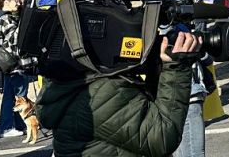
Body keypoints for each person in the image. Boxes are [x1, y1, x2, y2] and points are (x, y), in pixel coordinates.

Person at [38, 31, 202, 155]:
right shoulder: (99, 93)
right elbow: (162, 137)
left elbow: (147, 114)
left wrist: (157, 68)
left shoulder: (64, 84)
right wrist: (176, 68)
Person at [0, 0, 31, 138]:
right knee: (17, 97)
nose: (19, 3)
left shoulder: (3, 17)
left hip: (11, 65)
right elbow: (14, 42)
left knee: (12, 96)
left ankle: (16, 126)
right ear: (6, 2)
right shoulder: (7, 19)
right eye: (16, 0)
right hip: (15, 65)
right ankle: (8, 127)